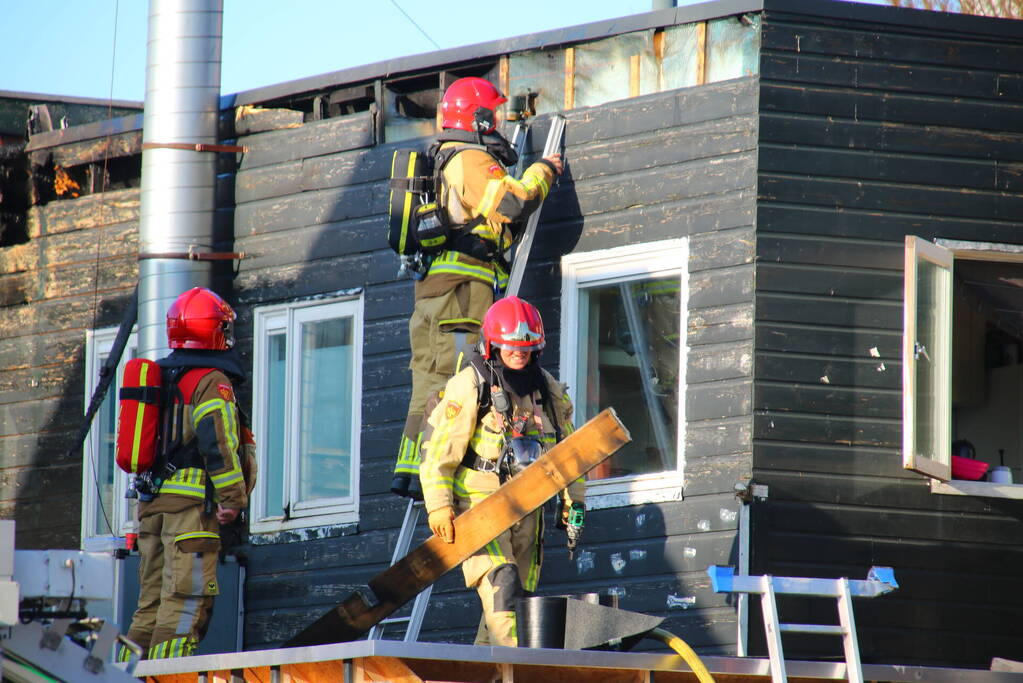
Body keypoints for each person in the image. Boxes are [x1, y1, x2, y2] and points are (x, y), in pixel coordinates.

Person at [390, 76, 565, 499]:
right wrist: (545, 169)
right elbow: (514, 201)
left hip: (446, 295)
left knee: (433, 379)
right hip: (461, 296)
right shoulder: (469, 159)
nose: (501, 127)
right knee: (451, 381)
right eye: (495, 117)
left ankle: (416, 472)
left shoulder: (447, 158)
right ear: (480, 119)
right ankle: (427, 473)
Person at [419, 296, 585, 646]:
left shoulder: (548, 390)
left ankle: (487, 672)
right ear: (494, 344)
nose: (519, 355)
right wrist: (438, 505)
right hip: (482, 509)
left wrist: (575, 502)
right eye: (511, 347)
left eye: (526, 348)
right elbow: (439, 452)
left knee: (516, 611)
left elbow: (571, 452)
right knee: (503, 589)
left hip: (529, 511)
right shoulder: (470, 384)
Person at [122, 287, 252, 660]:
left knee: (149, 606)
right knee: (184, 604)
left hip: (151, 510)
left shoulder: (160, 377)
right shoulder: (211, 381)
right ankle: (169, 674)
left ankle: (127, 674)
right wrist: (232, 499)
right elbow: (220, 442)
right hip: (191, 514)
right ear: (214, 330)